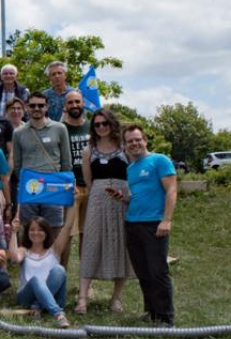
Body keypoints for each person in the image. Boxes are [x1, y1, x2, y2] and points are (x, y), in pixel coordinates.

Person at [114, 124, 177, 326]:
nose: (134, 144)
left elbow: (171, 190)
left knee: (158, 271)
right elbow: (136, 196)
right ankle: (151, 311)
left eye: (137, 139)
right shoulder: (130, 169)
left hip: (154, 224)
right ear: (125, 145)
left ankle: (165, 318)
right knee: (143, 271)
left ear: (145, 140)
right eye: (129, 141)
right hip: (132, 224)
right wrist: (123, 198)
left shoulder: (159, 160)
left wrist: (166, 220)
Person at [76, 108, 132, 314]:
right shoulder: (88, 150)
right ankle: (82, 298)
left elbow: (133, 173)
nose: (101, 127)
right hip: (98, 199)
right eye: (97, 124)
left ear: (112, 124)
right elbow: (88, 180)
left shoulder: (124, 147)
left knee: (121, 245)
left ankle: (116, 298)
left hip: (121, 199)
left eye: (105, 123)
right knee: (91, 244)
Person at [13, 92, 72, 231]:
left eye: (40, 105)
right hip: (29, 186)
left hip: (53, 184)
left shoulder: (60, 128)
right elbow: (17, 164)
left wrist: (62, 184)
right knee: (29, 230)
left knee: (54, 229)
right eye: (32, 105)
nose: (36, 108)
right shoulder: (18, 132)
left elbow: (66, 161)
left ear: (47, 107)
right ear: (27, 107)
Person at [8, 214, 73, 328]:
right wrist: (14, 232)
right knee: (36, 279)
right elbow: (14, 258)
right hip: (27, 297)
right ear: (27, 232)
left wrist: (75, 206)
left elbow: (67, 227)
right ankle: (58, 315)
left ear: (46, 232)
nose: (36, 233)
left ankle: (37, 306)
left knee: (60, 269)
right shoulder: (24, 250)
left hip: (54, 296)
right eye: (32, 229)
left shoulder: (54, 249)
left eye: (40, 230)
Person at [61, 90, 92, 266]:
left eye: (77, 102)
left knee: (86, 235)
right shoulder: (60, 128)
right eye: (70, 102)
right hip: (69, 188)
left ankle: (85, 278)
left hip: (90, 185)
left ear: (83, 103)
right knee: (66, 234)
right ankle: (61, 276)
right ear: (65, 106)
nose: (74, 105)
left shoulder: (93, 127)